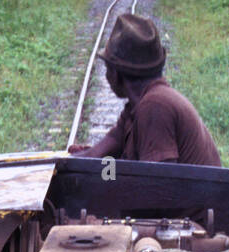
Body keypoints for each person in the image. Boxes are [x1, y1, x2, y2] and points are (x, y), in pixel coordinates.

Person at [69, 13, 221, 167]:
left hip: (192, 192)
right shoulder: (137, 106)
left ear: (115, 73)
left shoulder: (155, 106)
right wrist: (72, 160)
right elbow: (105, 147)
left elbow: (157, 183)